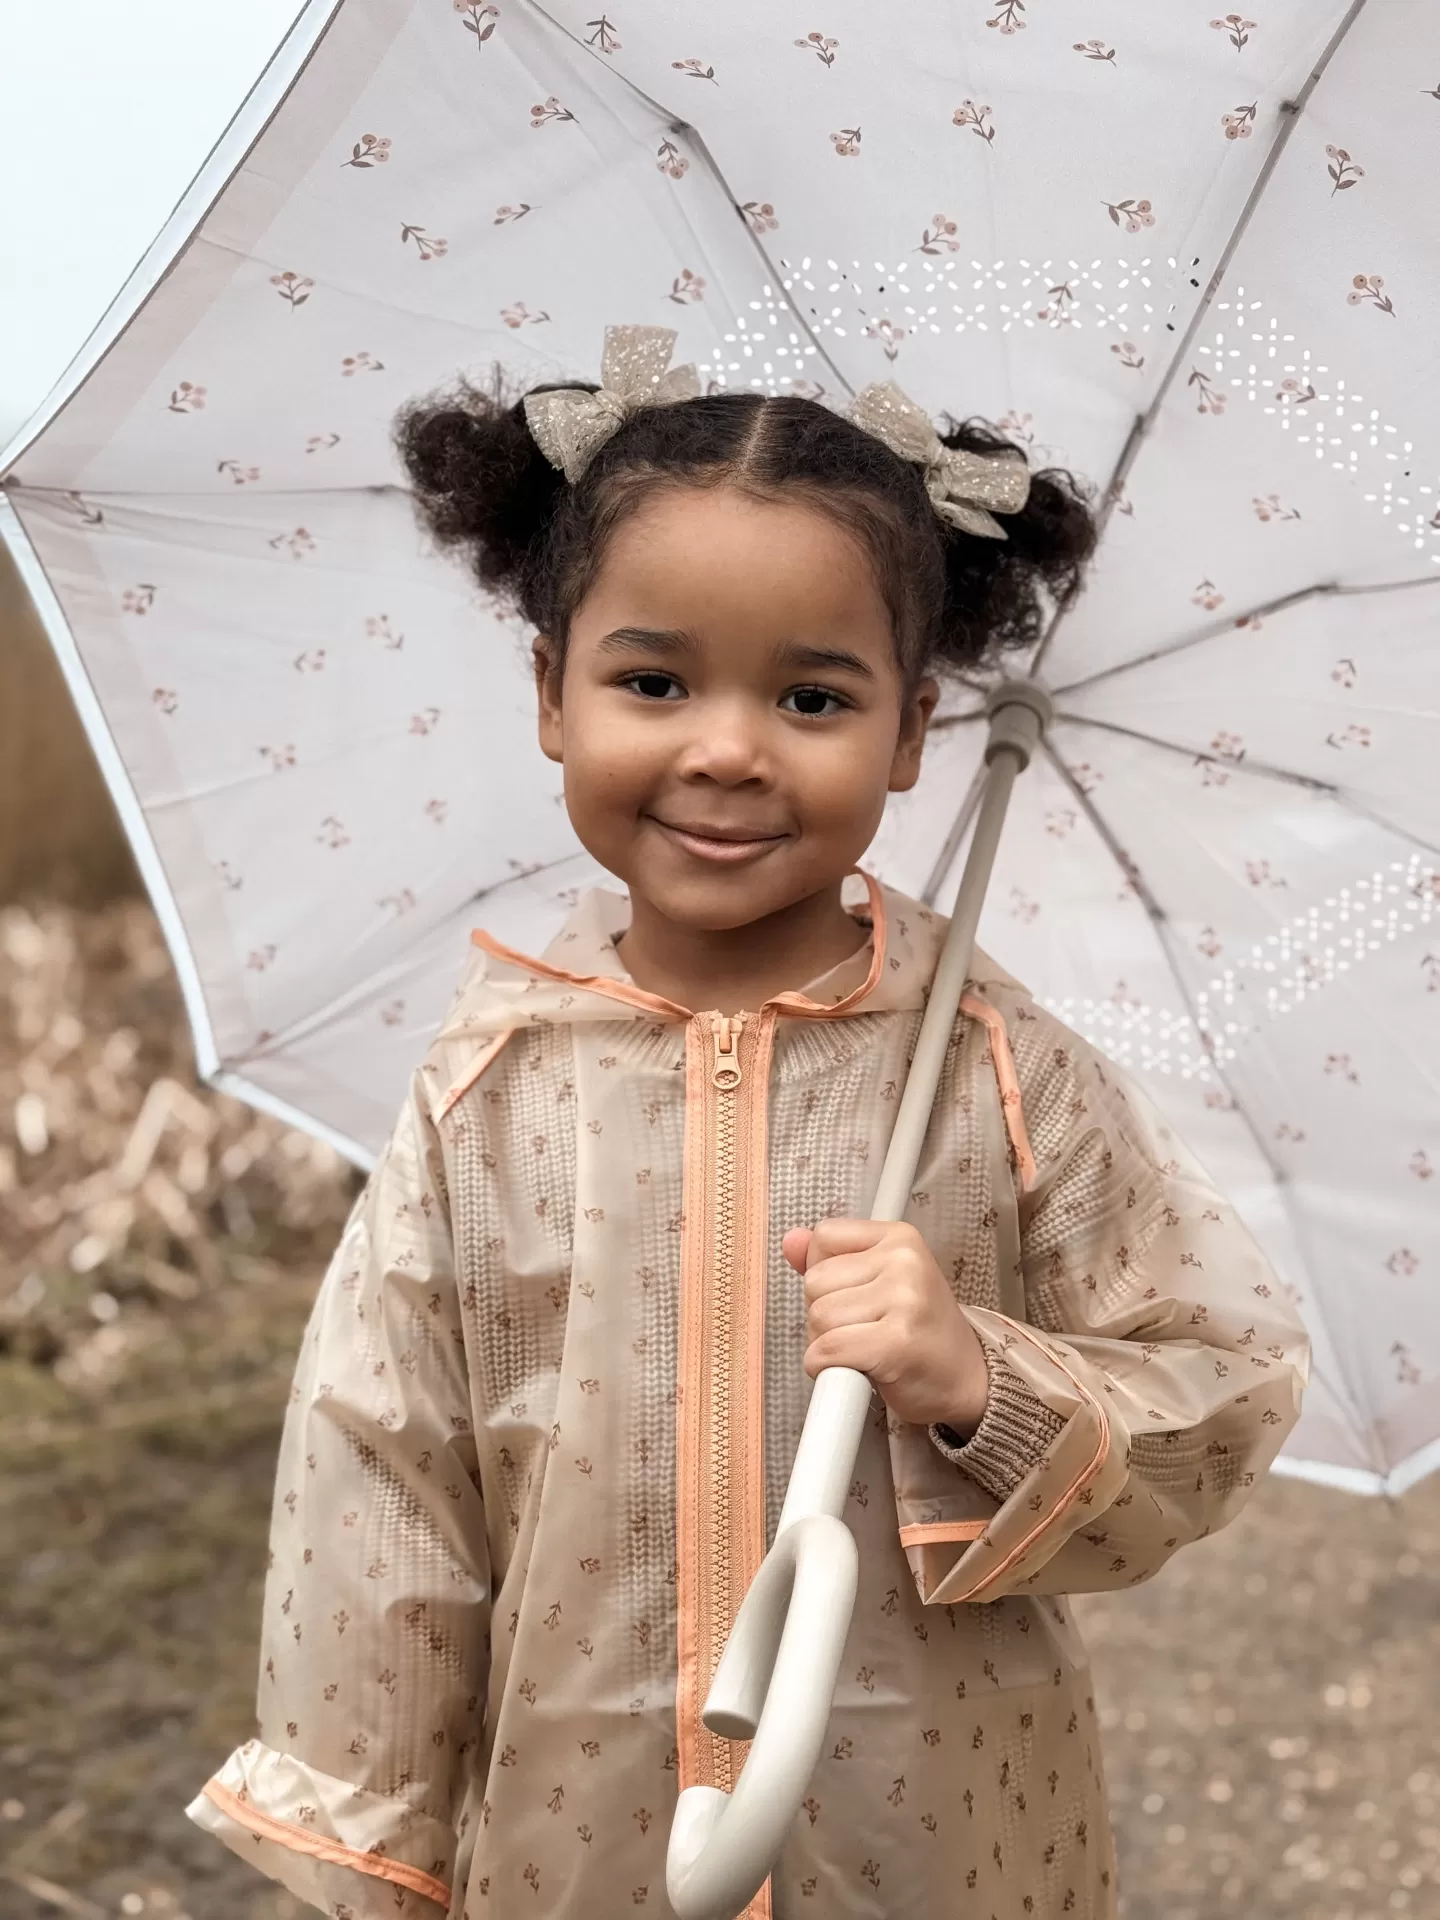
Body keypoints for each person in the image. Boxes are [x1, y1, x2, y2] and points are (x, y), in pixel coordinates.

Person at [186, 324, 1309, 1920]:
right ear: (551, 694)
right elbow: (383, 1480)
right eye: (654, 680)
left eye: (812, 694)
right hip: (581, 1835)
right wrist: (374, 1841)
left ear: (911, 730)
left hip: (932, 1834)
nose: (726, 746)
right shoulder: (492, 1087)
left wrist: (982, 1376)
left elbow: (1214, 1376)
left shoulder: (996, 1069)